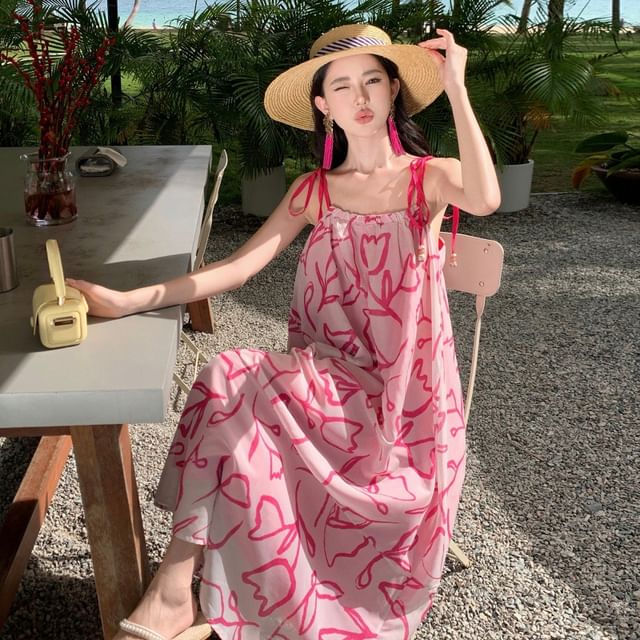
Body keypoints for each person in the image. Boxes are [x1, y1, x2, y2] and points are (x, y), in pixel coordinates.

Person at [68, 23, 500, 640]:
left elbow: (485, 199)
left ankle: (177, 593)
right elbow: (238, 268)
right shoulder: (314, 191)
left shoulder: (428, 178)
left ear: (394, 89)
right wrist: (128, 299)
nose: (360, 98)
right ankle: (173, 587)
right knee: (227, 378)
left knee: (233, 391)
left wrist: (456, 86)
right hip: (327, 384)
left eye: (373, 81)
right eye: (342, 86)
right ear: (323, 106)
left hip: (406, 407)